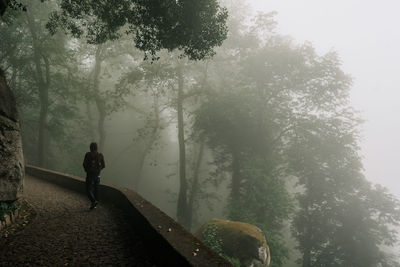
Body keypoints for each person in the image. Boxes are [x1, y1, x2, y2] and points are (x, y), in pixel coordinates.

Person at [83, 142, 105, 210]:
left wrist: (87, 170)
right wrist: (99, 170)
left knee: (88, 189)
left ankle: (93, 201)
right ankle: (95, 204)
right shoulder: (100, 155)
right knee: (96, 189)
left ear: (90, 147)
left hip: (90, 175)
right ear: (96, 147)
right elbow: (104, 165)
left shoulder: (88, 154)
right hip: (97, 176)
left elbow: (84, 164)